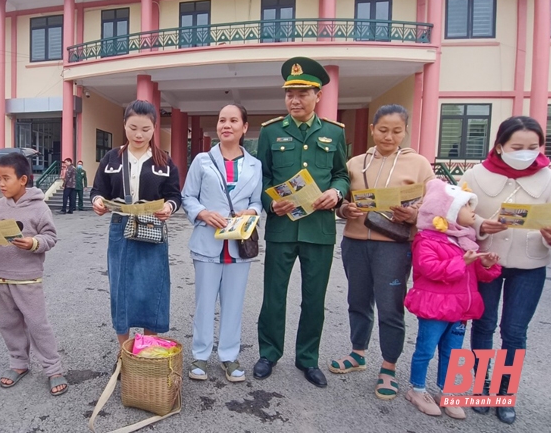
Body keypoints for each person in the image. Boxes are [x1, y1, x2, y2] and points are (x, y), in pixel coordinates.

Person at [254, 57, 350, 388]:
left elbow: (341, 175)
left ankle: (308, 358)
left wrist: (337, 194)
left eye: (302, 94)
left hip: (319, 229)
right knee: (274, 295)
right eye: (289, 94)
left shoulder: (333, 133)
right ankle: (268, 353)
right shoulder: (270, 133)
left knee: (314, 298)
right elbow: (262, 176)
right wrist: (270, 201)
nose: (294, 100)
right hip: (282, 229)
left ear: (318, 94)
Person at [329, 105, 435, 400]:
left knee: (390, 307)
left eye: (396, 131)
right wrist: (344, 209)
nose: (389, 136)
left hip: (394, 246)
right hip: (355, 240)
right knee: (357, 300)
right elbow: (341, 200)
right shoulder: (355, 163)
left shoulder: (419, 165)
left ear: (405, 131)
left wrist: (413, 215)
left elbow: (434, 204)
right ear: (372, 129)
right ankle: (357, 353)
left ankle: (388, 366)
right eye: (383, 130)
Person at [460, 116, 551, 424]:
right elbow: (460, 213)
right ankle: (481, 384)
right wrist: (477, 224)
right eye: (517, 146)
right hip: (488, 262)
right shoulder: (475, 175)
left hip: (530, 265)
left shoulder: (549, 178)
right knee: (484, 325)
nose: (526, 153)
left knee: (514, 331)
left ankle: (506, 390)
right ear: (499, 146)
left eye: (532, 146)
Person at [0, 153, 68, 396]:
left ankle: (53, 369)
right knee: (8, 324)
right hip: (0, 276)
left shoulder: (39, 207)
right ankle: (19, 364)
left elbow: (50, 237)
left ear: (23, 179)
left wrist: (33, 242)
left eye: (6, 178)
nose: (0, 183)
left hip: (28, 277)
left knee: (37, 324)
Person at [403, 178, 501, 419]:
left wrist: (486, 265)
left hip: (459, 309)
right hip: (435, 307)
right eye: (467, 206)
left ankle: (446, 391)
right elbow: (429, 269)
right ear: (448, 211)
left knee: (452, 353)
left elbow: (475, 274)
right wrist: (462, 261)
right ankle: (417, 389)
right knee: (425, 350)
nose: (473, 211)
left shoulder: (466, 239)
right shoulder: (427, 239)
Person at [90, 100, 182, 350]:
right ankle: (125, 353)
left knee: (151, 288)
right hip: (120, 227)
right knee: (121, 289)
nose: (138, 134)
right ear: (124, 126)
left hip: (152, 227)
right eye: (132, 128)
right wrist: (98, 202)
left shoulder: (164, 161)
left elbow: (175, 195)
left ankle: (147, 350)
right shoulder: (112, 158)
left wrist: (168, 208)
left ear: (154, 128)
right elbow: (98, 190)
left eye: (145, 129)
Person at [182, 104, 262, 382]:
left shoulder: (255, 165)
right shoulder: (202, 160)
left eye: (233, 120)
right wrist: (202, 213)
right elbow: (187, 196)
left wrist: (251, 212)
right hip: (207, 241)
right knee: (204, 302)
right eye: (221, 120)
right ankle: (200, 356)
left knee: (234, 303)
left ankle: (229, 356)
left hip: (239, 244)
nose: (226, 125)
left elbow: (257, 200)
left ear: (244, 128)